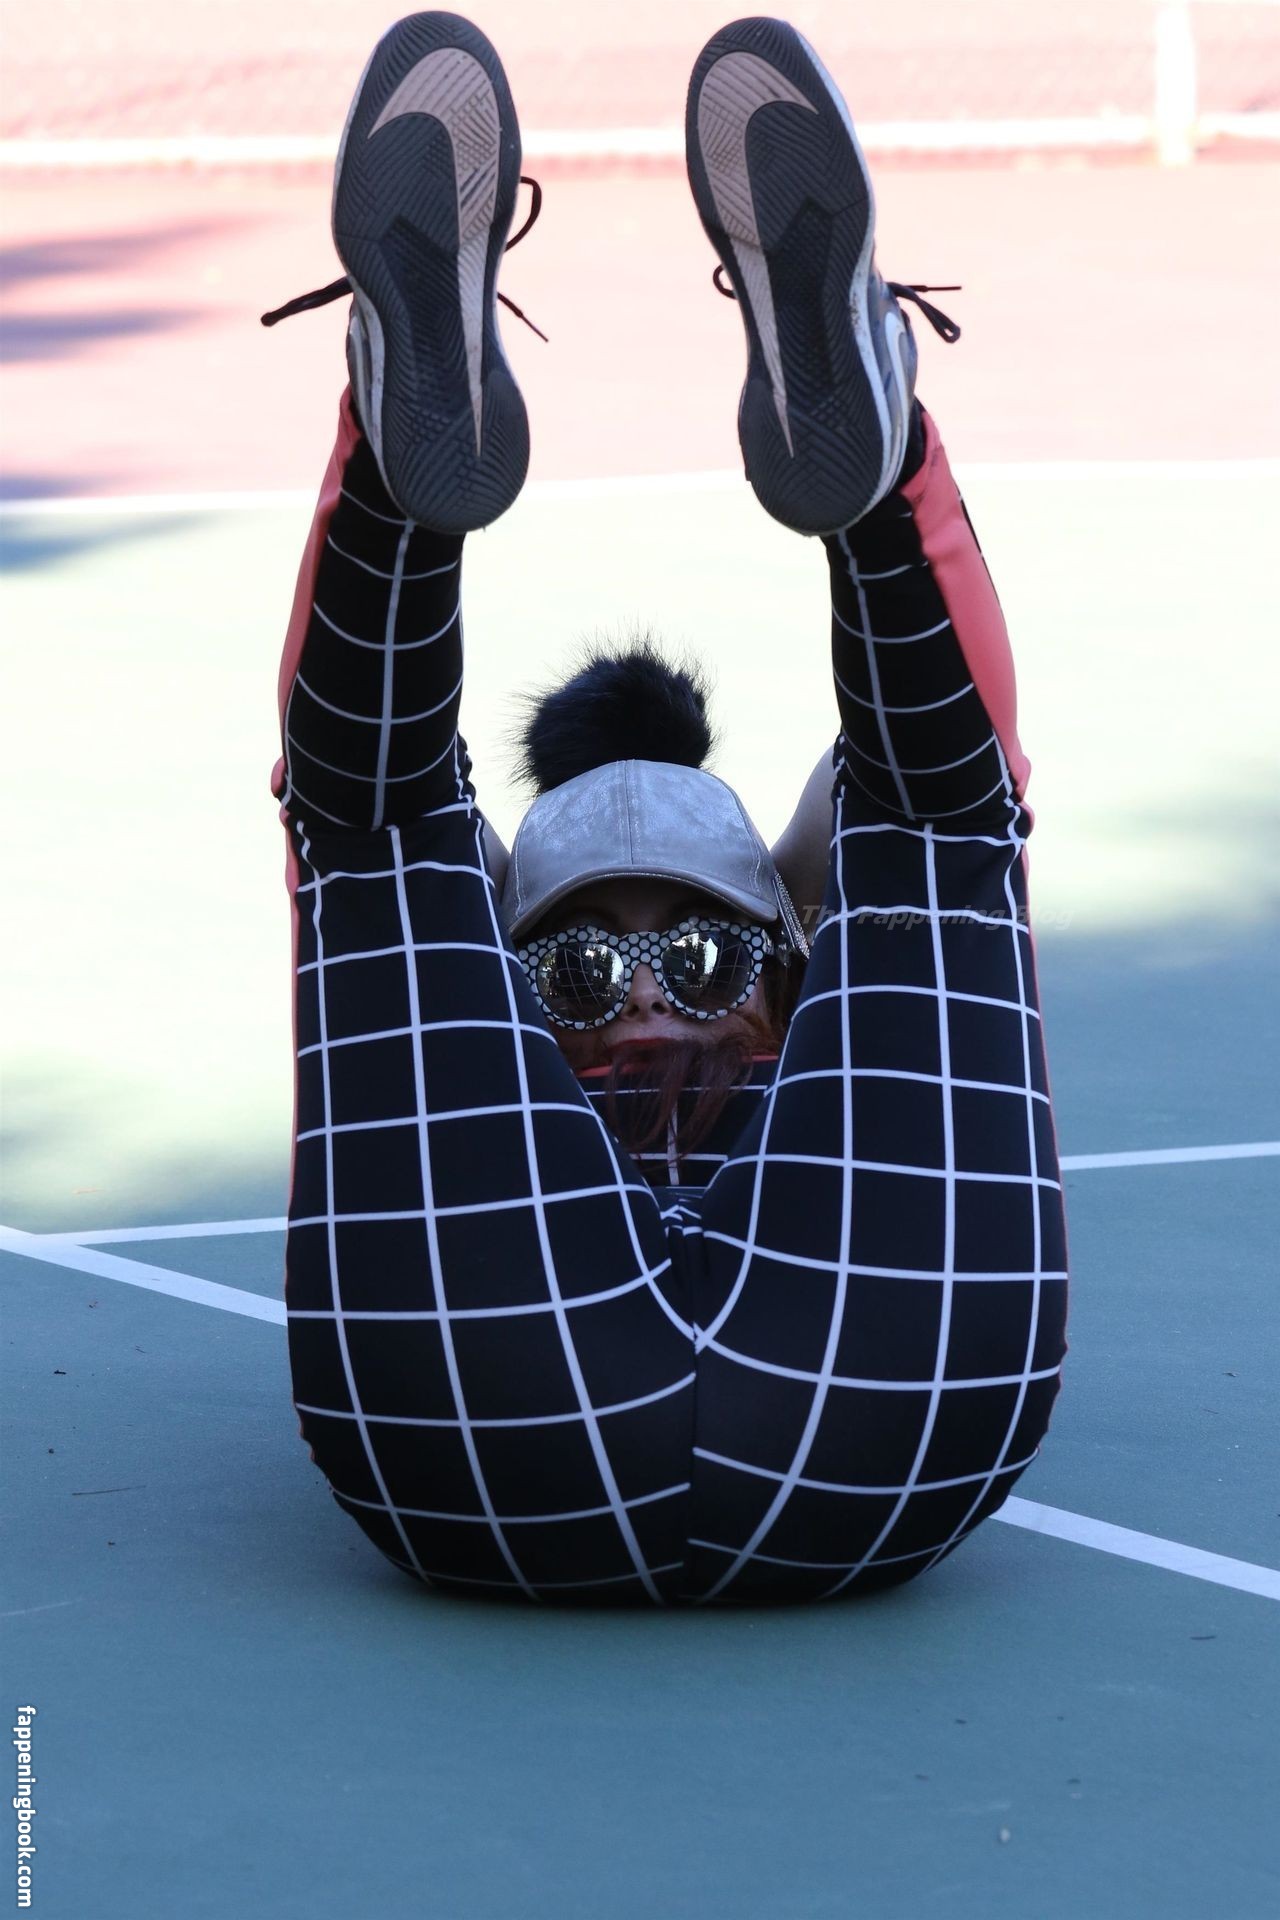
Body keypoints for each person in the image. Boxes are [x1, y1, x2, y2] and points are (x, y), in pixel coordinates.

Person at [265, 11, 1068, 1606]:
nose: (640, 1003)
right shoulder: (504, 1096)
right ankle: (873, 456)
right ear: (509, 994)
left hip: (525, 1438)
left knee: (377, 841)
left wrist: (795, 892)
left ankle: (403, 445)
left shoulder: (821, 1026)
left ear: (785, 960)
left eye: (698, 960)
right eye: (575, 969)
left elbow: (893, 809)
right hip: (819, 1427)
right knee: (940, 841)